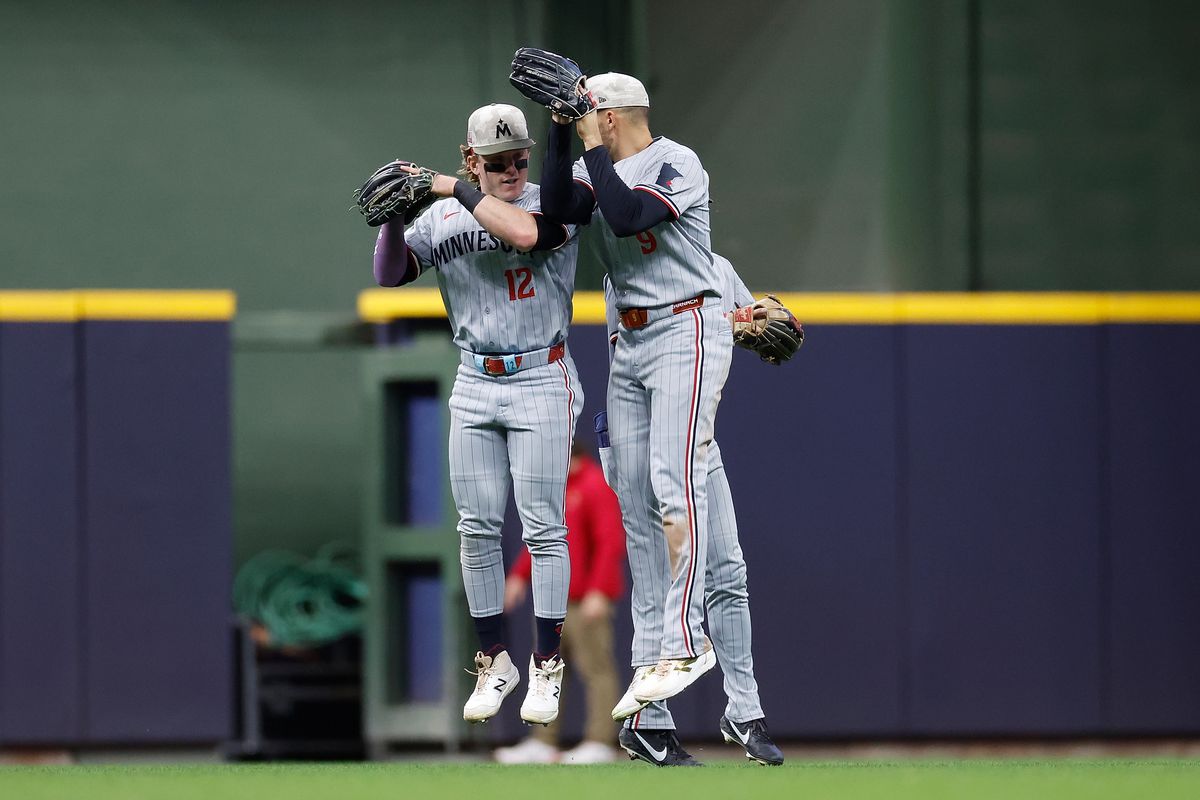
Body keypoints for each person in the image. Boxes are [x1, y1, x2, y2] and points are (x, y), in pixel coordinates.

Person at [538, 71, 732, 766]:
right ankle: (654, 690)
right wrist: (561, 134)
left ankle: (689, 641)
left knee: (674, 484)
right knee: (638, 506)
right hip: (631, 340)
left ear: (614, 117)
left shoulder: (676, 161)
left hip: (685, 324)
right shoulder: (599, 165)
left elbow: (626, 217)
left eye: (592, 113)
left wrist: (588, 140)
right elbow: (559, 208)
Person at [371, 103, 583, 726]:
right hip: (475, 377)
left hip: (542, 373)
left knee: (544, 528)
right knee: (476, 528)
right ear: (472, 158)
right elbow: (389, 274)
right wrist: (391, 220)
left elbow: (521, 233)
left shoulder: (559, 199)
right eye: (497, 162)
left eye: (520, 156)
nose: (514, 168)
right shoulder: (440, 217)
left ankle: (546, 662)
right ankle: (496, 660)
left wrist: (447, 186)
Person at [603, 256, 786, 766]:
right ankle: (649, 721)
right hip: (641, 442)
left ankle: (745, 712)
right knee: (656, 577)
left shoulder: (718, 268)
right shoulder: (626, 267)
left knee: (729, 571)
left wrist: (759, 321)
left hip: (695, 443)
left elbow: (754, 319)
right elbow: (629, 362)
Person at [494, 441, 626, 764]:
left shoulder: (596, 485)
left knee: (596, 670)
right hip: (553, 601)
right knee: (546, 671)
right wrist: (518, 576)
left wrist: (599, 590)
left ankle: (600, 741)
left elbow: (611, 541)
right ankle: (543, 740)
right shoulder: (556, 490)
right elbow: (539, 540)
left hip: (586, 601)